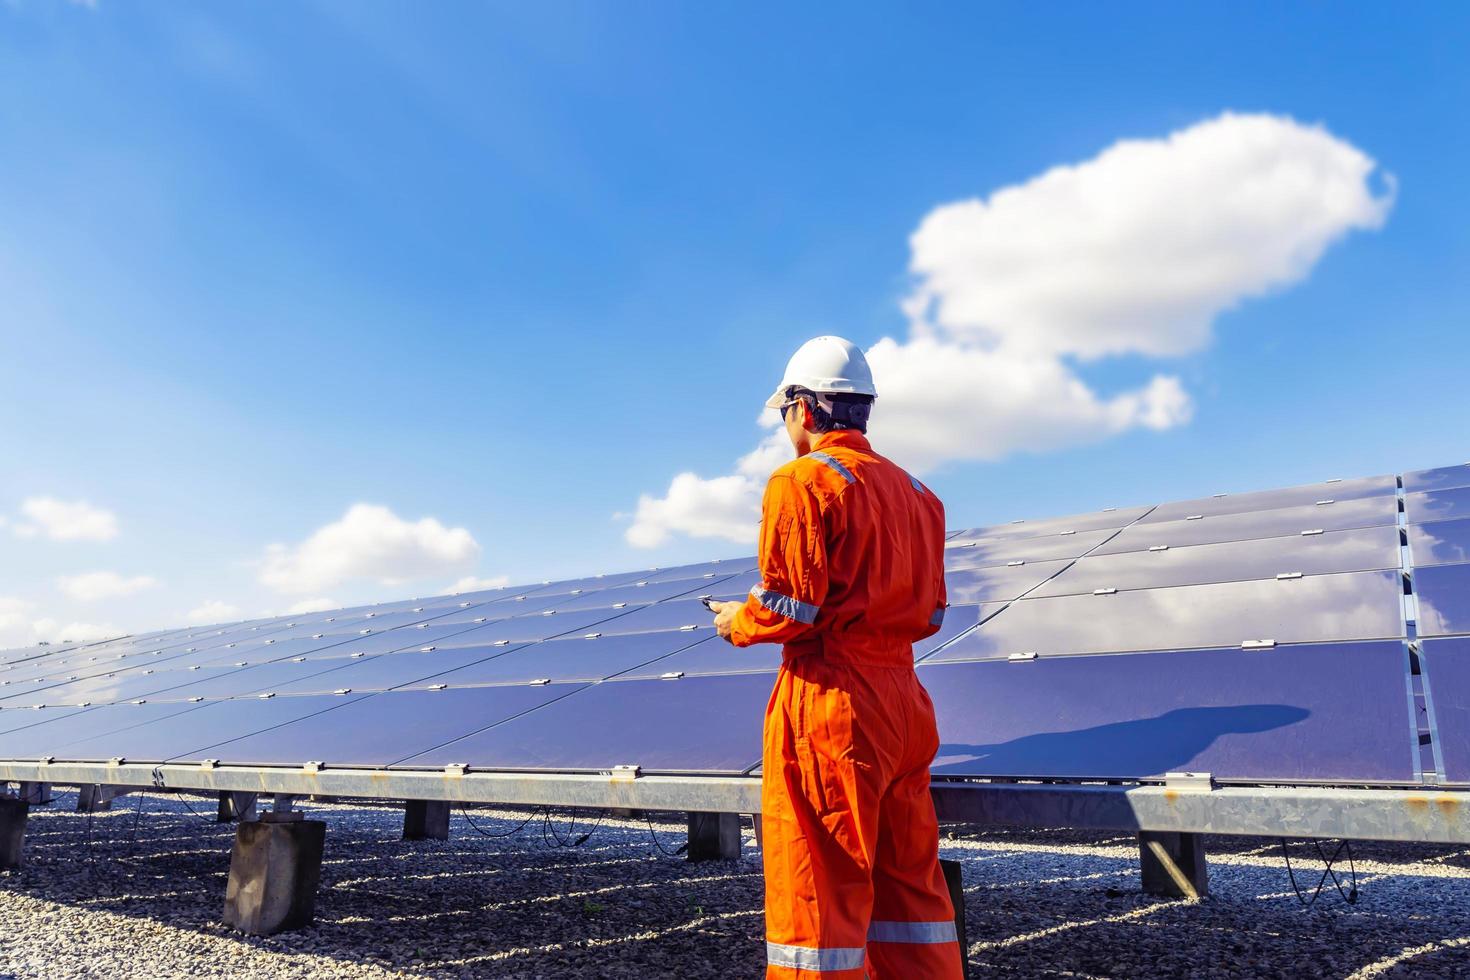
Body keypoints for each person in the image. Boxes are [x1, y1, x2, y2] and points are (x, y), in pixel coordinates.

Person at [708, 336, 962, 980]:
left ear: (802, 407)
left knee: (819, 892)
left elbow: (788, 607)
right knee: (910, 890)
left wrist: (735, 621)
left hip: (832, 704)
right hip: (904, 702)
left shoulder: (803, 481)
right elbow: (931, 614)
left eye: (783, 412)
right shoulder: (919, 494)